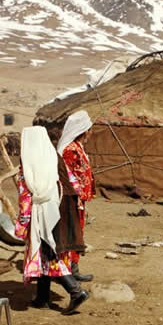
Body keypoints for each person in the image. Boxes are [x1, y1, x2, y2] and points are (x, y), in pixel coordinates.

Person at [14, 126, 89, 315]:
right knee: (47, 250)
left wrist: (22, 224)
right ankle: (42, 297)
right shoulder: (54, 156)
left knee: (48, 251)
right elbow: (74, 183)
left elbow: (25, 192)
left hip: (44, 212)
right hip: (63, 207)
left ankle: (75, 291)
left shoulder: (29, 161)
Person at [56, 110, 96, 282]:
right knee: (72, 232)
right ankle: (70, 270)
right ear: (84, 130)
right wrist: (76, 195)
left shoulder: (78, 148)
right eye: (89, 129)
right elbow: (67, 175)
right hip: (71, 198)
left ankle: (72, 267)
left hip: (79, 198)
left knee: (77, 231)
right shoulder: (70, 150)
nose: (90, 133)